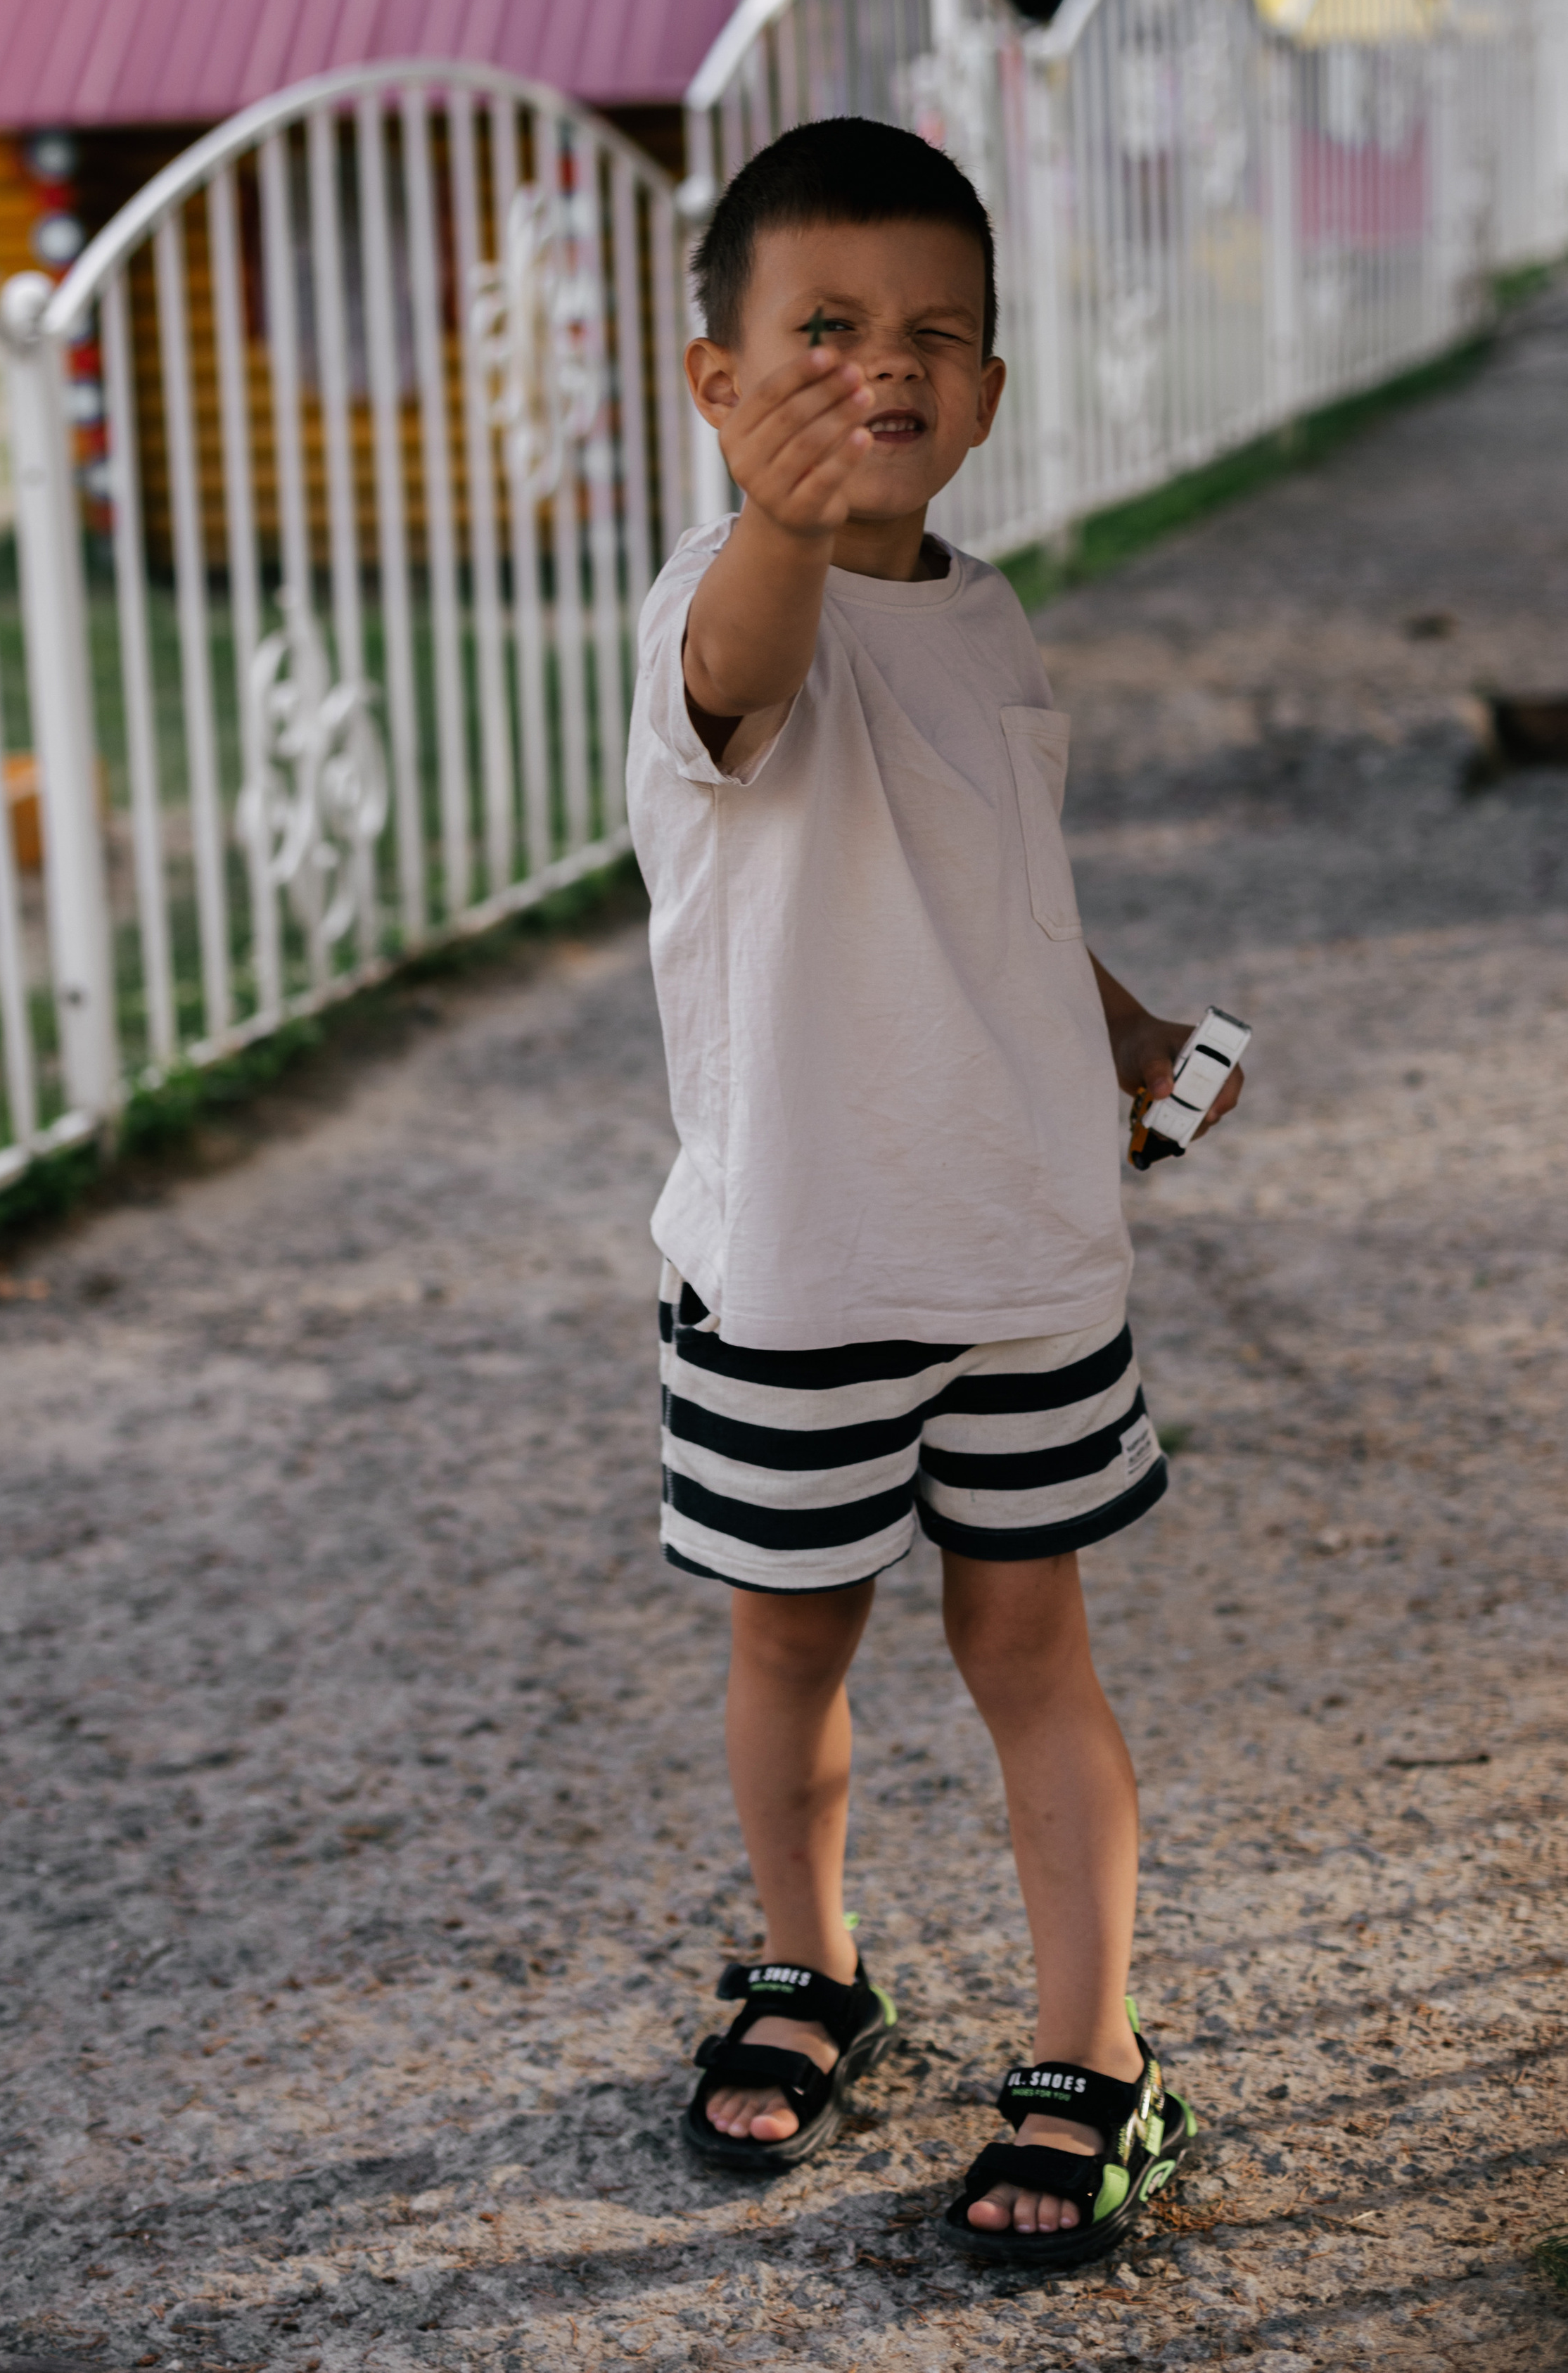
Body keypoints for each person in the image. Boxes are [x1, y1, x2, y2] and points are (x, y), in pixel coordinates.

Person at [624, 117, 1243, 2267]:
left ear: (986, 390)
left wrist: (1124, 1029)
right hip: (800, 1264)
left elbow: (990, 890)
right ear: (716, 382)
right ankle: (814, 1966)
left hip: (1025, 1263)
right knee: (791, 1644)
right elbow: (748, 677)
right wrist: (778, 521)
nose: (879, 367)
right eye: (819, 331)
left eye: (931, 336)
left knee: (1030, 1644)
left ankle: (1100, 2056)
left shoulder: (981, 618)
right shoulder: (720, 606)